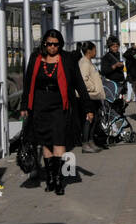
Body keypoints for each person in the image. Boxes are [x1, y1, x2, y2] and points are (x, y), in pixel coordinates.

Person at [20, 28, 92, 195]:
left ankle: (59, 179)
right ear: (44, 43)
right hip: (40, 105)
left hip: (60, 105)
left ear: (60, 44)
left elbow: (79, 84)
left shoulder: (67, 59)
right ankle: (50, 177)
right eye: (50, 44)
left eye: (56, 44)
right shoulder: (36, 57)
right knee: (46, 142)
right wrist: (24, 106)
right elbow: (28, 82)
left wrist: (87, 107)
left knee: (59, 140)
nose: (53, 47)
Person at [77, 41, 105, 152]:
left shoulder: (88, 62)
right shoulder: (84, 63)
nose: (96, 52)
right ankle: (85, 143)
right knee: (89, 119)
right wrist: (93, 87)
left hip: (94, 97)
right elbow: (83, 80)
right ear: (89, 51)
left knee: (94, 119)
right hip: (89, 96)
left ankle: (91, 141)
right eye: (94, 49)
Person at [100, 36, 126, 112]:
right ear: (109, 47)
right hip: (111, 86)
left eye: (117, 46)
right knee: (113, 106)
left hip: (120, 85)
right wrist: (114, 66)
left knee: (120, 106)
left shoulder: (119, 56)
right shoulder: (106, 57)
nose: (115, 48)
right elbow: (104, 71)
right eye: (113, 47)